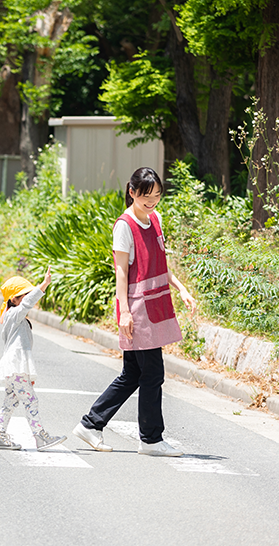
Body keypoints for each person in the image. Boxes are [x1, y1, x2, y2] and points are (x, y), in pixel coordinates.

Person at [72, 167, 196, 457]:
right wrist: (124, 312)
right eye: (145, 196)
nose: (152, 202)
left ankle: (91, 424)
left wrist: (182, 289)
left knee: (133, 373)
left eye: (156, 196)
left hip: (156, 303)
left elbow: (161, 263)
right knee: (152, 373)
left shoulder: (156, 218)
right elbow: (120, 272)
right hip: (137, 308)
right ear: (132, 192)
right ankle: (151, 440)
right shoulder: (124, 225)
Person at [0, 269, 67, 451]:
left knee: (11, 401)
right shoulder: (14, 314)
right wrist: (44, 284)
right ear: (14, 300)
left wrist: (28, 373)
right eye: (24, 295)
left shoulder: (16, 318)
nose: (28, 298)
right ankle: (40, 436)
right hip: (15, 367)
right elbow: (28, 304)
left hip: (15, 368)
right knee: (31, 401)